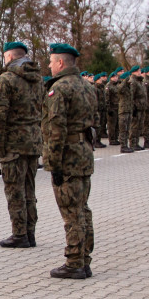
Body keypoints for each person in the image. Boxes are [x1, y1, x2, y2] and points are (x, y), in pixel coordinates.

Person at [42, 44, 97, 279]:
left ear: (61, 63)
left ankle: (75, 262)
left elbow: (56, 130)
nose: (49, 65)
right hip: (84, 152)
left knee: (71, 211)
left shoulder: (60, 89)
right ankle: (84, 259)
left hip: (68, 156)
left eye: (52, 61)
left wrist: (52, 164)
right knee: (82, 208)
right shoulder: (87, 86)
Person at [0, 41, 43, 248]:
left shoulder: (7, 79)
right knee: (29, 189)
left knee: (15, 191)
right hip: (33, 141)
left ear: (10, 57)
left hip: (13, 143)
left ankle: (19, 233)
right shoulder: (37, 79)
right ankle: (30, 233)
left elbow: (0, 115)